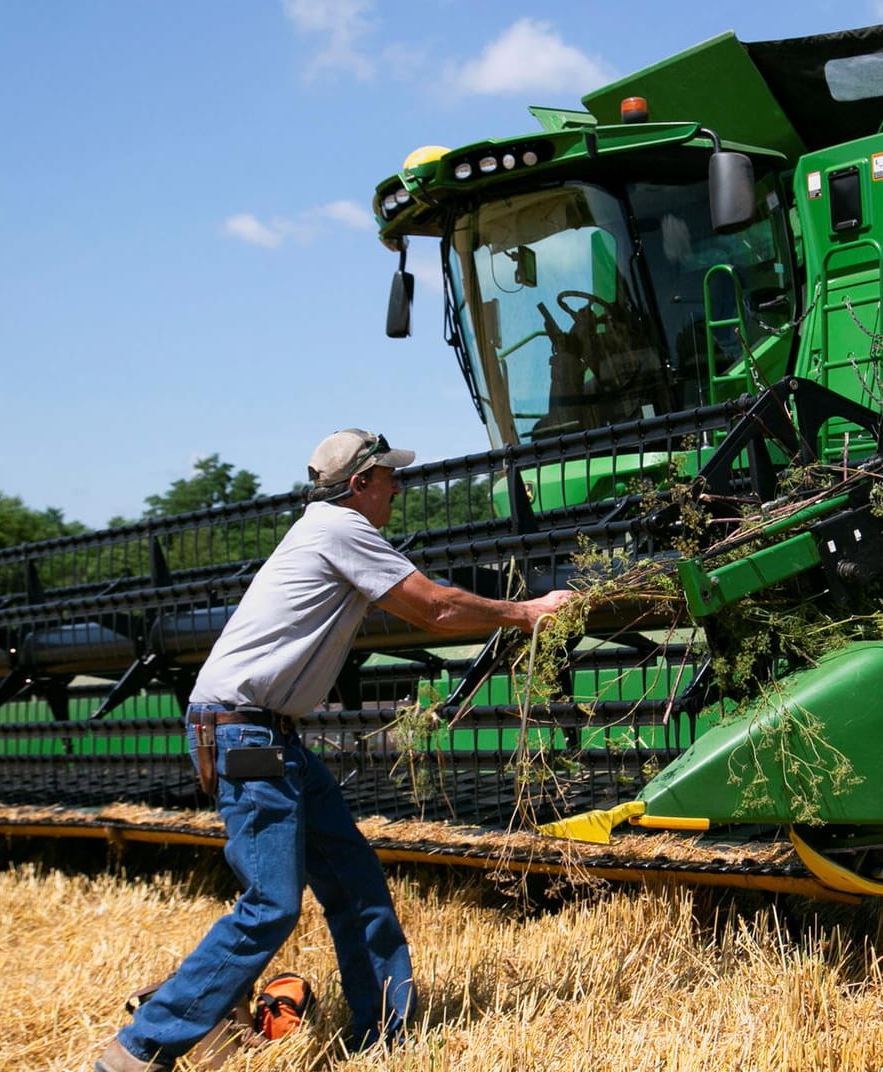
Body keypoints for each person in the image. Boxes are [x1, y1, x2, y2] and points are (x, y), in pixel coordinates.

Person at [97, 428, 575, 1072]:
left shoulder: (327, 531)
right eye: (388, 477)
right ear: (359, 484)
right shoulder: (338, 530)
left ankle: (383, 1033)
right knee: (272, 902)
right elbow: (432, 610)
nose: (397, 488)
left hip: (269, 735)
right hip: (244, 733)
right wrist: (527, 611)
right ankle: (144, 1044)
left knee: (354, 881)